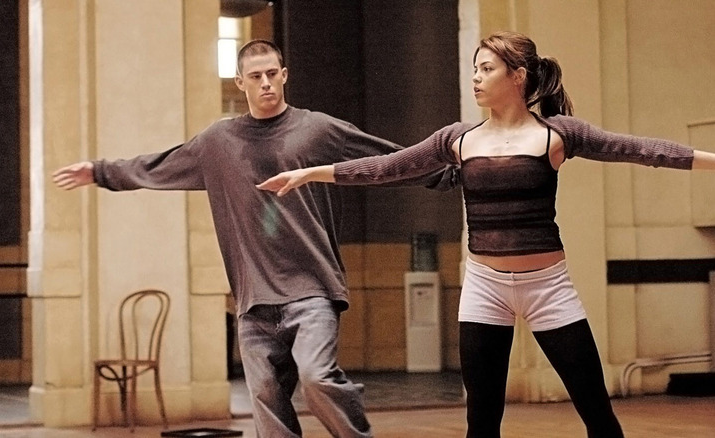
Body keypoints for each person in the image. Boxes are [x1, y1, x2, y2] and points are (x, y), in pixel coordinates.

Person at [257, 30, 715, 438]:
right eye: (474, 69)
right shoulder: (457, 139)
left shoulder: (557, 134)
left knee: (594, 407)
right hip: (484, 289)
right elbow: (386, 168)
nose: (475, 78)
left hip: (548, 289)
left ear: (517, 77)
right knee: (483, 416)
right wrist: (312, 173)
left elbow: (640, 149)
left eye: (486, 69)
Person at [52, 39, 455, 438]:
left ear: (284, 76)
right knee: (267, 402)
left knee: (317, 379)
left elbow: (386, 160)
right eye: (255, 76)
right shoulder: (217, 143)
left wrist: (446, 171)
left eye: (271, 74)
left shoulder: (319, 129)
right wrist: (100, 172)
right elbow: (158, 165)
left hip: (312, 289)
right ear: (240, 82)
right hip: (253, 300)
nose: (265, 83)